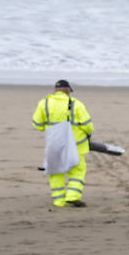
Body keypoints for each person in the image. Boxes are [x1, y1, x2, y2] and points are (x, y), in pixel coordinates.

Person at [32, 80, 94, 208]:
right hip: (76, 146)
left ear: (56, 90)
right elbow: (88, 126)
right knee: (77, 170)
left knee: (55, 172)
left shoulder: (44, 103)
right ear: (67, 90)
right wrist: (88, 134)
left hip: (54, 144)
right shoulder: (76, 104)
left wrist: (52, 129)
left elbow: (37, 124)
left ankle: (58, 201)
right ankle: (72, 196)